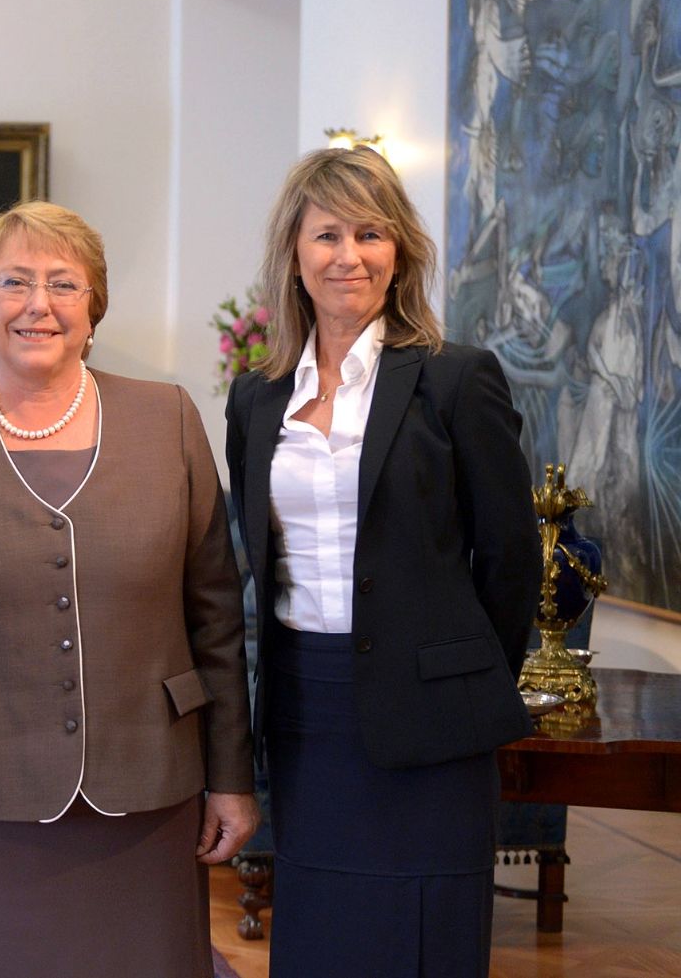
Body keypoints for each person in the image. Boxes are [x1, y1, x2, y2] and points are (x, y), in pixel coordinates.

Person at [0, 200, 258, 977]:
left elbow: (217, 615)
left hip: (151, 784)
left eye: (63, 284)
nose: (38, 305)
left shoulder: (169, 419)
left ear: (92, 307)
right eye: (14, 282)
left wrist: (233, 779)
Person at [225, 147, 539, 977]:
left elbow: (511, 556)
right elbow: (254, 553)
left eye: (371, 233)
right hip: (305, 710)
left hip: (433, 718)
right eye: (327, 233)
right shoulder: (256, 399)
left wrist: (460, 669)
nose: (348, 255)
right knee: (321, 935)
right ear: (293, 251)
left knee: (425, 938)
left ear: (400, 250)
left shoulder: (455, 379)